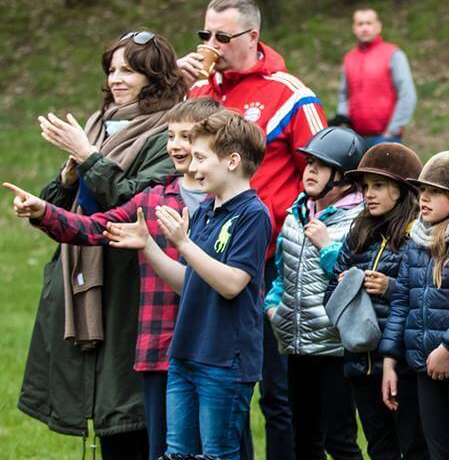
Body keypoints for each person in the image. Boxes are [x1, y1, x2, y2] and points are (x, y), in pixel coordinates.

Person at [6, 97, 220, 460]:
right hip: (160, 352)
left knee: (220, 448)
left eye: (188, 136)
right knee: (165, 451)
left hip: (217, 352)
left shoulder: (234, 205)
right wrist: (44, 211)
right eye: (171, 136)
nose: (176, 145)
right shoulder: (154, 199)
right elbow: (92, 228)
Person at [18, 30, 186, 460]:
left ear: (155, 75)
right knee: (103, 401)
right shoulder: (99, 124)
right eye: (112, 68)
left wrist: (89, 156)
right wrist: (55, 190)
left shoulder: (170, 130)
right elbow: (71, 205)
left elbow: (137, 204)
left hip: (133, 280)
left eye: (128, 69)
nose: (116, 78)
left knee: (128, 403)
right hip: (82, 272)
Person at [178, 0, 327, 460]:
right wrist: (175, 89)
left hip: (269, 260)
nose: (213, 45)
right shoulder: (198, 90)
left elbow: (323, 170)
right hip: (208, 253)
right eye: (206, 35)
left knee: (275, 391)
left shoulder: (288, 93)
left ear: (253, 36)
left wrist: (304, 236)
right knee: (220, 383)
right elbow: (177, 152)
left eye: (224, 36)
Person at [115, 110, 271, 460]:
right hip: (185, 352)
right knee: (176, 453)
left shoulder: (253, 214)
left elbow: (232, 284)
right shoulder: (204, 211)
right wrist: (149, 246)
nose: (193, 167)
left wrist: (184, 243)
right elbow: (189, 283)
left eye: (201, 157)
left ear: (232, 161)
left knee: (218, 454)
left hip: (224, 360)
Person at [264, 127, 367, 460]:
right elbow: (282, 271)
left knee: (340, 440)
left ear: (345, 177)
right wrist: (273, 307)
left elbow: (356, 279)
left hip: (336, 348)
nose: (309, 171)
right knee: (304, 439)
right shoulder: (295, 214)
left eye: (320, 166)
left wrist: (327, 246)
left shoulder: (359, 221)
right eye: (308, 163)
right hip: (298, 343)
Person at [379, 148, 449, 460]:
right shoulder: (415, 243)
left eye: (434, 192)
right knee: (437, 453)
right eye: (421, 191)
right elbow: (402, 302)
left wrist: (448, 348)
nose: (422, 199)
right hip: (423, 365)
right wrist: (389, 359)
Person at [326, 143, 429, 460]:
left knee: (413, 448)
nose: (369, 194)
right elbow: (330, 294)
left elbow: (431, 298)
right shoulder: (357, 233)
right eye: (366, 186)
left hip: (403, 366)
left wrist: (389, 287)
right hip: (359, 364)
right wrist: (346, 289)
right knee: (379, 448)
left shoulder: (419, 236)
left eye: (379, 186)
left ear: (401, 190)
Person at [338, 8, 417, 147]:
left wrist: (392, 130)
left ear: (378, 26)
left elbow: (407, 94)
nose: (364, 28)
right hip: (355, 138)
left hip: (386, 137)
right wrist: (343, 121)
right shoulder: (349, 58)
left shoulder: (393, 54)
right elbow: (344, 95)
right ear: (354, 28)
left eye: (369, 23)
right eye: (360, 24)